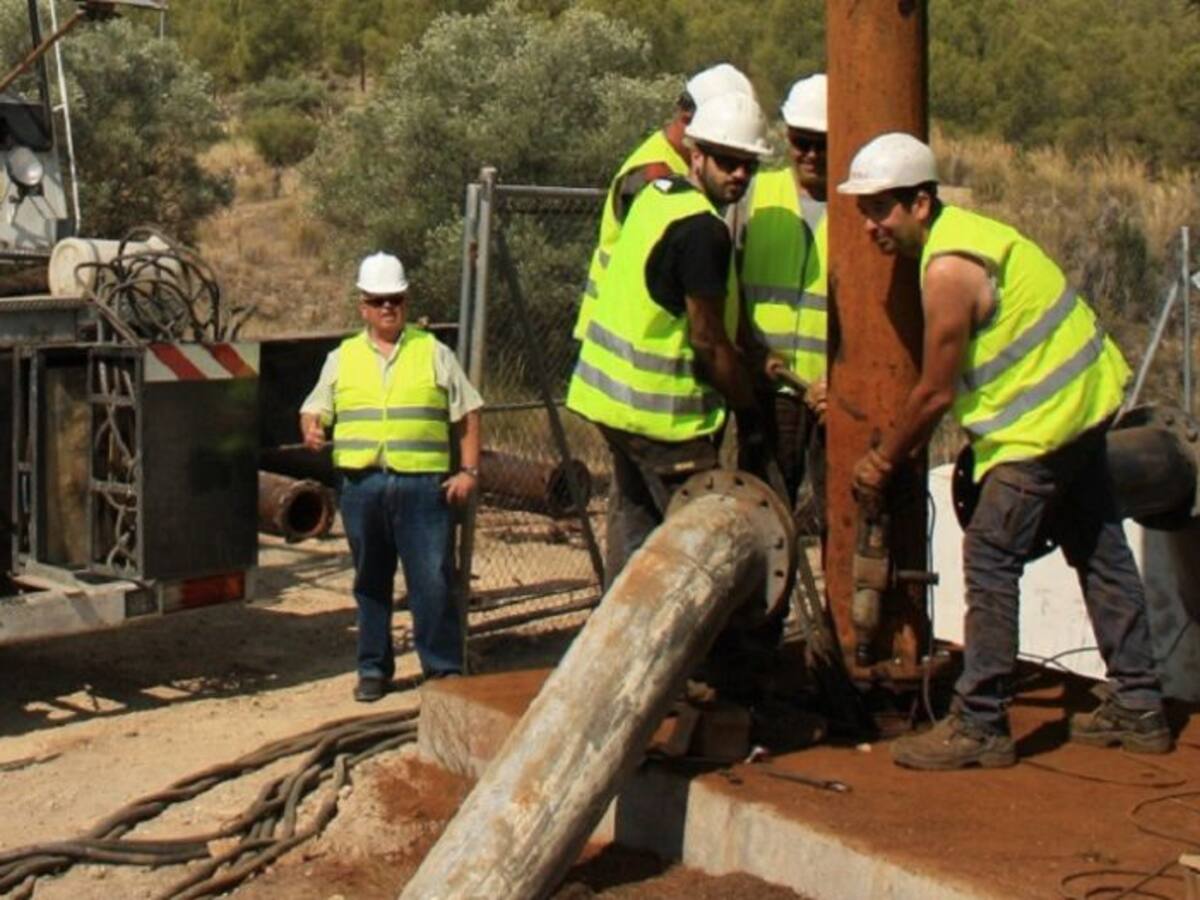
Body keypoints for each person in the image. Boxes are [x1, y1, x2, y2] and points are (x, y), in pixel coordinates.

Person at [837, 132, 1170, 769]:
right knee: (1098, 546)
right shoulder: (977, 235)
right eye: (864, 209)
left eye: (881, 208)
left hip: (1041, 430)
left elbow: (934, 392)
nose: (870, 224)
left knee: (991, 555)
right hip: (1086, 407)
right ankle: (1141, 702)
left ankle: (981, 722)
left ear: (921, 203)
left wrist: (883, 461)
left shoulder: (947, 271)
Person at [566, 91, 772, 581]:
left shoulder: (658, 197)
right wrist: (748, 406)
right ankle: (701, 653)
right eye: (727, 161)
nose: (739, 175)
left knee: (637, 529)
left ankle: (621, 643)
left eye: (749, 165)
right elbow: (707, 339)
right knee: (699, 549)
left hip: (611, 406)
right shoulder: (703, 231)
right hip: (663, 421)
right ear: (696, 154)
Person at [300, 252, 483, 702]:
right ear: (362, 306)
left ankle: (442, 670)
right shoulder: (342, 358)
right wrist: (311, 425)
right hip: (363, 487)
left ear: (405, 302)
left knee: (432, 581)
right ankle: (373, 670)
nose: (387, 309)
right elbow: (314, 406)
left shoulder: (433, 352)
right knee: (371, 582)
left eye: (395, 300)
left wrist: (469, 471)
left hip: (423, 487)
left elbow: (468, 412)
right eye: (378, 301)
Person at [573, 62, 755, 342]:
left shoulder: (702, 172)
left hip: (642, 334)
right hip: (625, 338)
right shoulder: (651, 172)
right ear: (686, 117)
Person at [737, 73, 829, 519]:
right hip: (771, 387)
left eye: (823, 143)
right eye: (802, 141)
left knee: (841, 515)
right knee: (762, 514)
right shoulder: (755, 194)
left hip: (834, 394)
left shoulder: (862, 207)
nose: (811, 154)